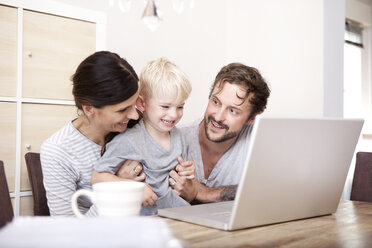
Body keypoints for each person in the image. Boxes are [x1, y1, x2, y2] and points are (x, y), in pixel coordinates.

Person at [40, 51, 155, 216]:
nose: (135, 115)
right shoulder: (57, 151)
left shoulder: (134, 128)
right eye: (123, 109)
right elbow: (67, 233)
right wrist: (118, 184)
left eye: (134, 105)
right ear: (89, 109)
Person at [91, 57, 194, 215]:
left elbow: (181, 181)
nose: (174, 114)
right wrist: (136, 189)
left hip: (178, 214)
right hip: (147, 221)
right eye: (165, 106)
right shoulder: (129, 140)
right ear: (141, 104)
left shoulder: (179, 136)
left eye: (180, 106)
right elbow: (97, 178)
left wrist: (187, 172)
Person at [168, 63, 271, 203]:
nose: (218, 117)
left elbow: (277, 189)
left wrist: (201, 192)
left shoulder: (258, 142)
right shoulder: (175, 139)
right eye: (215, 102)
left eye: (233, 111)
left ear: (252, 118)